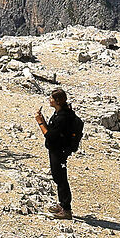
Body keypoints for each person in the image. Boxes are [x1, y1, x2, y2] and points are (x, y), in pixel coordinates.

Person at [35, 87, 84, 220]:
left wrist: (40, 122)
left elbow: (50, 136)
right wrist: (43, 120)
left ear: (57, 101)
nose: (49, 100)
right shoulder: (59, 113)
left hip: (59, 150)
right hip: (56, 149)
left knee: (61, 178)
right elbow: (53, 130)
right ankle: (62, 204)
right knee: (58, 177)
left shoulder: (63, 117)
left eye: (51, 98)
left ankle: (66, 209)